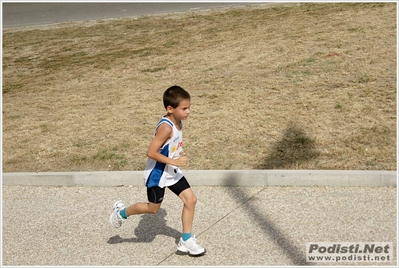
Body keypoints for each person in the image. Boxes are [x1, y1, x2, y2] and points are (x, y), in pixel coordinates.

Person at [110, 85, 206, 256]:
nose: (188, 111)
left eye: (189, 107)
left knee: (190, 200)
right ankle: (122, 213)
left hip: (172, 171)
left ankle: (186, 240)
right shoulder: (166, 127)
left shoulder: (179, 121)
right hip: (158, 175)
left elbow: (170, 145)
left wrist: (175, 155)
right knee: (153, 209)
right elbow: (151, 152)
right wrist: (174, 160)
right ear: (170, 109)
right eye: (184, 108)